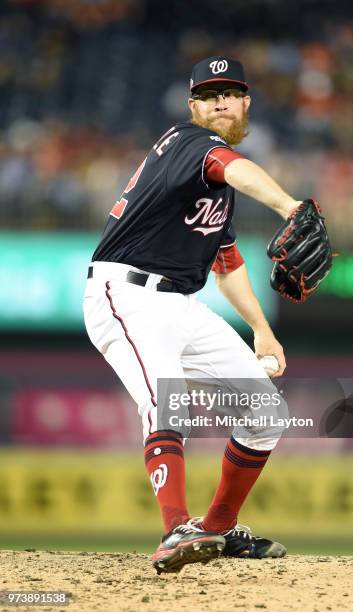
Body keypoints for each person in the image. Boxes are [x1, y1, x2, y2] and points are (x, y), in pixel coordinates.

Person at [83, 56, 301, 574]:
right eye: (208, 94)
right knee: (169, 402)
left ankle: (217, 529)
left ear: (247, 101)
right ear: (192, 107)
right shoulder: (188, 143)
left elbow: (227, 264)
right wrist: (290, 206)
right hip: (126, 293)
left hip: (180, 302)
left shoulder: (216, 185)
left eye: (230, 92)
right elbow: (232, 166)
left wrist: (262, 330)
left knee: (266, 413)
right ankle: (175, 529)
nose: (220, 101)